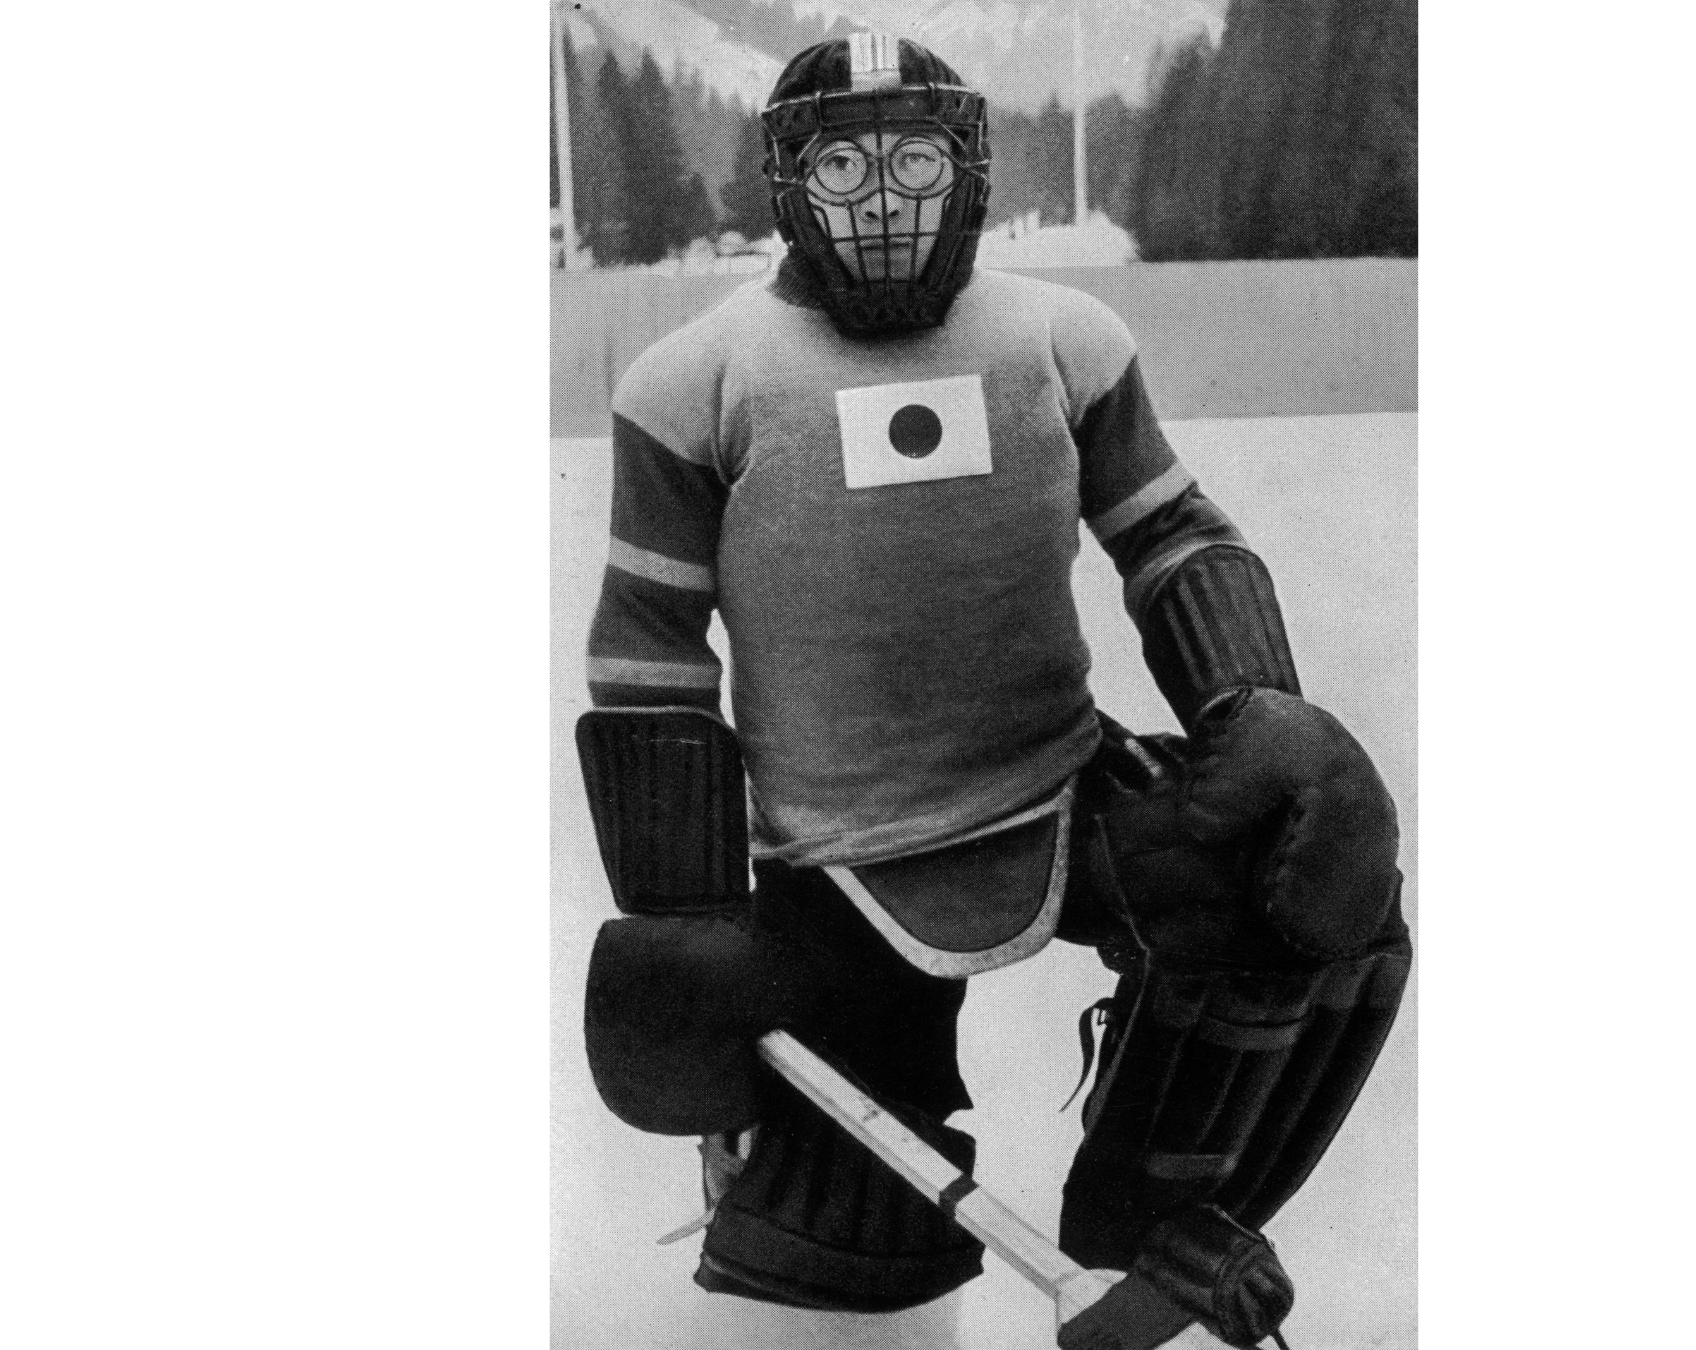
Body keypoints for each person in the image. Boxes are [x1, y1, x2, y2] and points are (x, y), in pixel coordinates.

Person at [575, 31, 1411, 1349]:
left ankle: (1158, 1216)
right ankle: (836, 1240)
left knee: (1305, 881)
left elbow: (1174, 536)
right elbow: (648, 652)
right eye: (843, 159)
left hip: (1058, 784)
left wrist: (1257, 716)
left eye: (910, 155)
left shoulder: (1063, 338)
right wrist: (686, 917)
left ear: (964, 164)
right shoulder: (692, 383)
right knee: (847, 1258)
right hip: (839, 851)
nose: (882, 194)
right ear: (787, 180)